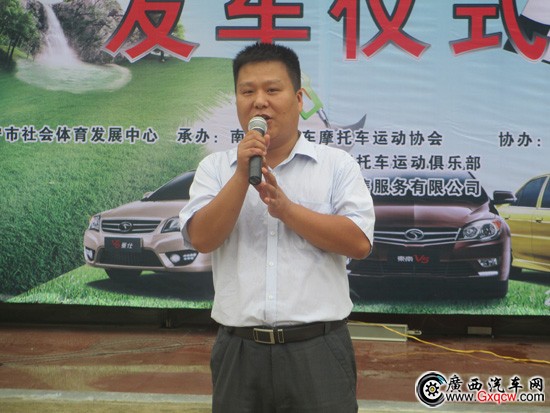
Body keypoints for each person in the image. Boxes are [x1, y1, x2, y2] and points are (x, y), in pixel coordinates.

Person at [179, 42, 375, 413]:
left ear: (299, 99)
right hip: (239, 352)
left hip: (318, 350)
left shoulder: (336, 165)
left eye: (272, 90)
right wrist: (242, 173)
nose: (259, 102)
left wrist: (287, 211)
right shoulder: (215, 169)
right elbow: (202, 238)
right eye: (247, 92)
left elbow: (359, 242)